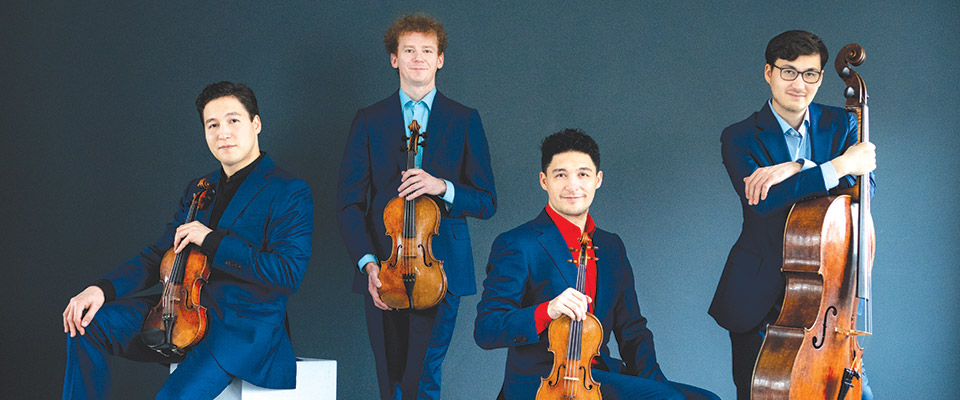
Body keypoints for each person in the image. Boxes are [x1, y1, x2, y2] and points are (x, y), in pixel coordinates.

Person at [61, 81, 314, 399]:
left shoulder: (288, 190)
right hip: (177, 313)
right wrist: (101, 289)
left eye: (233, 120)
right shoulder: (200, 187)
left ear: (256, 123)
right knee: (89, 324)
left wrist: (212, 241)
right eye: (213, 124)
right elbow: (160, 253)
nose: (223, 133)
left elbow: (286, 274)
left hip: (237, 328)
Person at [475, 129, 717, 400]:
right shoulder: (518, 243)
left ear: (597, 180)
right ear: (544, 181)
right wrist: (548, 310)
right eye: (560, 175)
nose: (572, 186)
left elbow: (632, 329)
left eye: (583, 174)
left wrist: (659, 385)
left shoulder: (611, 246)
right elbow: (487, 328)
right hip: (542, 381)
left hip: (597, 376)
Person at [708, 30, 877, 400]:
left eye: (810, 74)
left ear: (819, 76)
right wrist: (835, 166)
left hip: (827, 301)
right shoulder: (738, 136)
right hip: (759, 297)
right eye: (788, 72)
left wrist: (801, 165)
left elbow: (864, 192)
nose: (799, 84)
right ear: (769, 73)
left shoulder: (843, 123)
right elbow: (764, 202)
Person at [335, 14, 496, 400]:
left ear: (440, 59)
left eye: (427, 50)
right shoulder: (369, 120)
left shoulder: (464, 119)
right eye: (409, 50)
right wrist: (368, 262)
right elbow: (349, 202)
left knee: (422, 379)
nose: (418, 58)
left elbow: (486, 201)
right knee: (388, 378)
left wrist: (443, 187)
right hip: (384, 267)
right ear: (395, 58)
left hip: (440, 271)